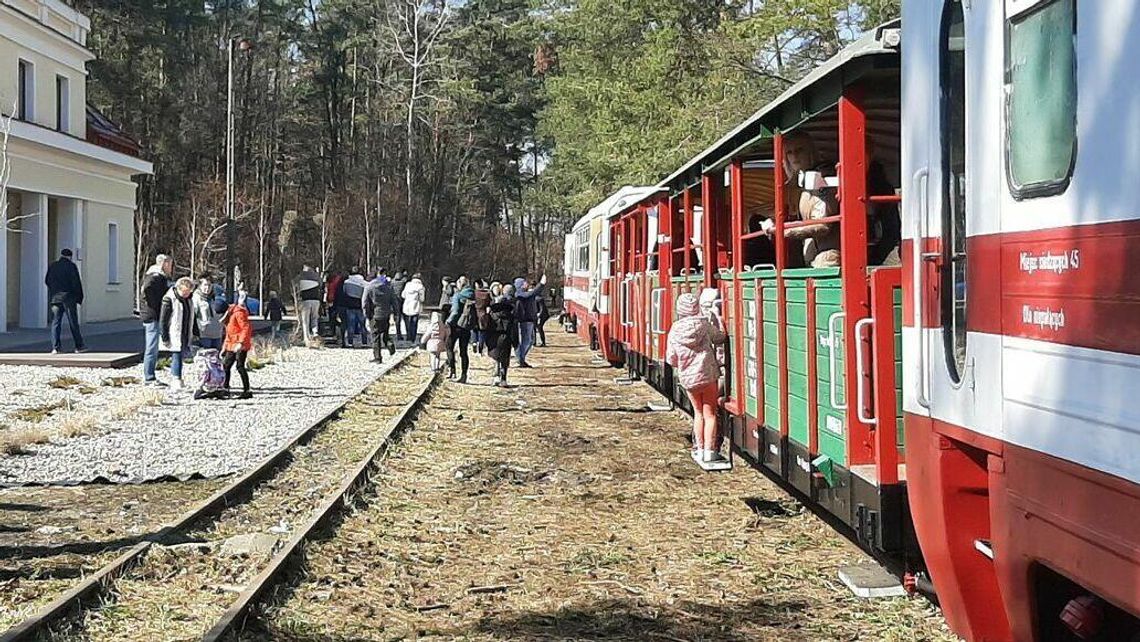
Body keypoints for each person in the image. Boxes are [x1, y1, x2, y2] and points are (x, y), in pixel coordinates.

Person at [666, 292, 728, 466]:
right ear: (696, 308)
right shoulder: (704, 324)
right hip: (708, 375)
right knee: (710, 414)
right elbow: (720, 338)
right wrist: (722, 323)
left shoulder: (675, 329)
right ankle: (710, 452)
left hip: (689, 379)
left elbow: (671, 358)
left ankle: (699, 449)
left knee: (698, 414)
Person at [766, 131, 840, 268]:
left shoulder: (823, 177)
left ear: (810, 151)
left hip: (828, 258)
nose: (794, 156)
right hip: (816, 256)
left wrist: (784, 230)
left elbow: (822, 224)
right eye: (789, 152)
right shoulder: (803, 181)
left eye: (799, 150)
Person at [44, 248, 86, 354]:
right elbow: (76, 282)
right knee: (73, 322)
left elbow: (47, 280)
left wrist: (54, 290)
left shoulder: (53, 266)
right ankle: (79, 346)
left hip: (55, 298)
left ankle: (56, 347)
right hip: (69, 297)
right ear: (70, 257)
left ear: (61, 255)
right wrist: (79, 297)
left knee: (56, 322)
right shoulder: (71, 266)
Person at [140, 254, 173, 386]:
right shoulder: (155, 276)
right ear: (164, 264)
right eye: (170, 265)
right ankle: (149, 377)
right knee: (152, 347)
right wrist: (153, 305)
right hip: (152, 315)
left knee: (153, 346)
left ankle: (150, 374)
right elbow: (147, 289)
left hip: (152, 314)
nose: (171, 268)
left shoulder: (157, 276)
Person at [159, 277, 195, 390]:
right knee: (176, 355)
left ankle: (179, 378)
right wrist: (165, 337)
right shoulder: (169, 299)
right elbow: (163, 320)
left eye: (188, 292)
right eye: (184, 292)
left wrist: (195, 332)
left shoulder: (189, 299)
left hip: (184, 330)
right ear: (178, 288)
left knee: (181, 355)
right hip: (173, 331)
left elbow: (191, 316)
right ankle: (176, 379)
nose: (186, 294)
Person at [221, 291, 254, 399]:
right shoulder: (231, 313)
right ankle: (225, 387)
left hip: (240, 345)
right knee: (226, 366)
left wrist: (240, 343)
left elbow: (246, 328)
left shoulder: (238, 313)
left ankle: (247, 390)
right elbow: (229, 333)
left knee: (240, 367)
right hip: (231, 344)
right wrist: (224, 347)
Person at [486, 284, 519, 387]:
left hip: (494, 337)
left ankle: (496, 377)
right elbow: (514, 329)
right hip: (506, 338)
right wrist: (515, 342)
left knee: (496, 358)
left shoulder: (492, 314)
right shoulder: (510, 315)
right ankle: (503, 379)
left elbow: (487, 327)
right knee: (504, 359)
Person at [363, 269, 398, 363]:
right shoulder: (388, 287)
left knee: (375, 336)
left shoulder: (369, 287)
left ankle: (378, 357)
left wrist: (366, 315)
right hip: (386, 314)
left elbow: (364, 303)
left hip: (374, 315)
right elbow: (394, 301)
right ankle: (390, 344)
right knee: (385, 333)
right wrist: (395, 313)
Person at [513, 275, 548, 368]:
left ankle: (521, 358)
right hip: (525, 320)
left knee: (530, 340)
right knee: (527, 340)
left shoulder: (526, 293)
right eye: (524, 282)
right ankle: (520, 358)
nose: (526, 283)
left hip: (530, 320)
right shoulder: (520, 294)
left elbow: (535, 293)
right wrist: (541, 284)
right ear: (520, 285)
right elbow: (533, 293)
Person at [446, 276, 476, 383]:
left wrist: (448, 322)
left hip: (455, 326)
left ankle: (452, 371)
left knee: (449, 347)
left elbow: (454, 312)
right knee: (463, 352)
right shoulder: (473, 295)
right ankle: (464, 375)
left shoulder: (458, 295)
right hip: (466, 326)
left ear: (460, 284)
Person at [338, 268, 368, 348]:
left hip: (350, 306)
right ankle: (364, 342)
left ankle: (350, 342)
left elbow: (344, 292)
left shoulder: (347, 282)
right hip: (360, 306)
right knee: (362, 326)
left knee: (350, 325)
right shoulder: (363, 283)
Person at [193, 278, 224, 350]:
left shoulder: (215, 297)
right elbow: (193, 316)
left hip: (217, 332)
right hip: (204, 333)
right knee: (205, 357)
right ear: (200, 286)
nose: (207, 288)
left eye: (209, 285)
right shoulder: (196, 298)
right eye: (205, 285)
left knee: (216, 358)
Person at [296, 265, 323, 345]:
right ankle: (315, 333)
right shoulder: (316, 276)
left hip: (306, 300)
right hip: (316, 300)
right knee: (315, 317)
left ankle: (306, 337)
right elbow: (321, 285)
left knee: (305, 320)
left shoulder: (300, 276)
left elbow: (296, 286)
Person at [401, 272, 426, 344]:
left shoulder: (408, 285)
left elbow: (403, 295)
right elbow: (422, 299)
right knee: (414, 323)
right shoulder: (421, 287)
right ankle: (413, 338)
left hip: (407, 305)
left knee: (407, 322)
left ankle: (408, 336)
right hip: (415, 306)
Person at [472, 279, 491, 356]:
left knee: (474, 330)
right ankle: (480, 348)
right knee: (482, 332)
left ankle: (474, 343)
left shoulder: (474, 293)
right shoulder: (486, 294)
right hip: (483, 313)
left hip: (474, 313)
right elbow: (489, 303)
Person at [325, 270, 344, 340]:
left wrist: (328, 301)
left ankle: (333, 332)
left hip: (333, 302)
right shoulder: (340, 280)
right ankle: (341, 333)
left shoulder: (332, 283)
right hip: (341, 302)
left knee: (332, 318)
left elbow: (331, 294)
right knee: (341, 318)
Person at [391, 269, 408, 342]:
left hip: (395, 302)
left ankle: (398, 334)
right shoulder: (404, 282)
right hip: (403, 302)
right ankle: (408, 334)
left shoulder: (392, 282)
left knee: (397, 319)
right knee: (406, 319)